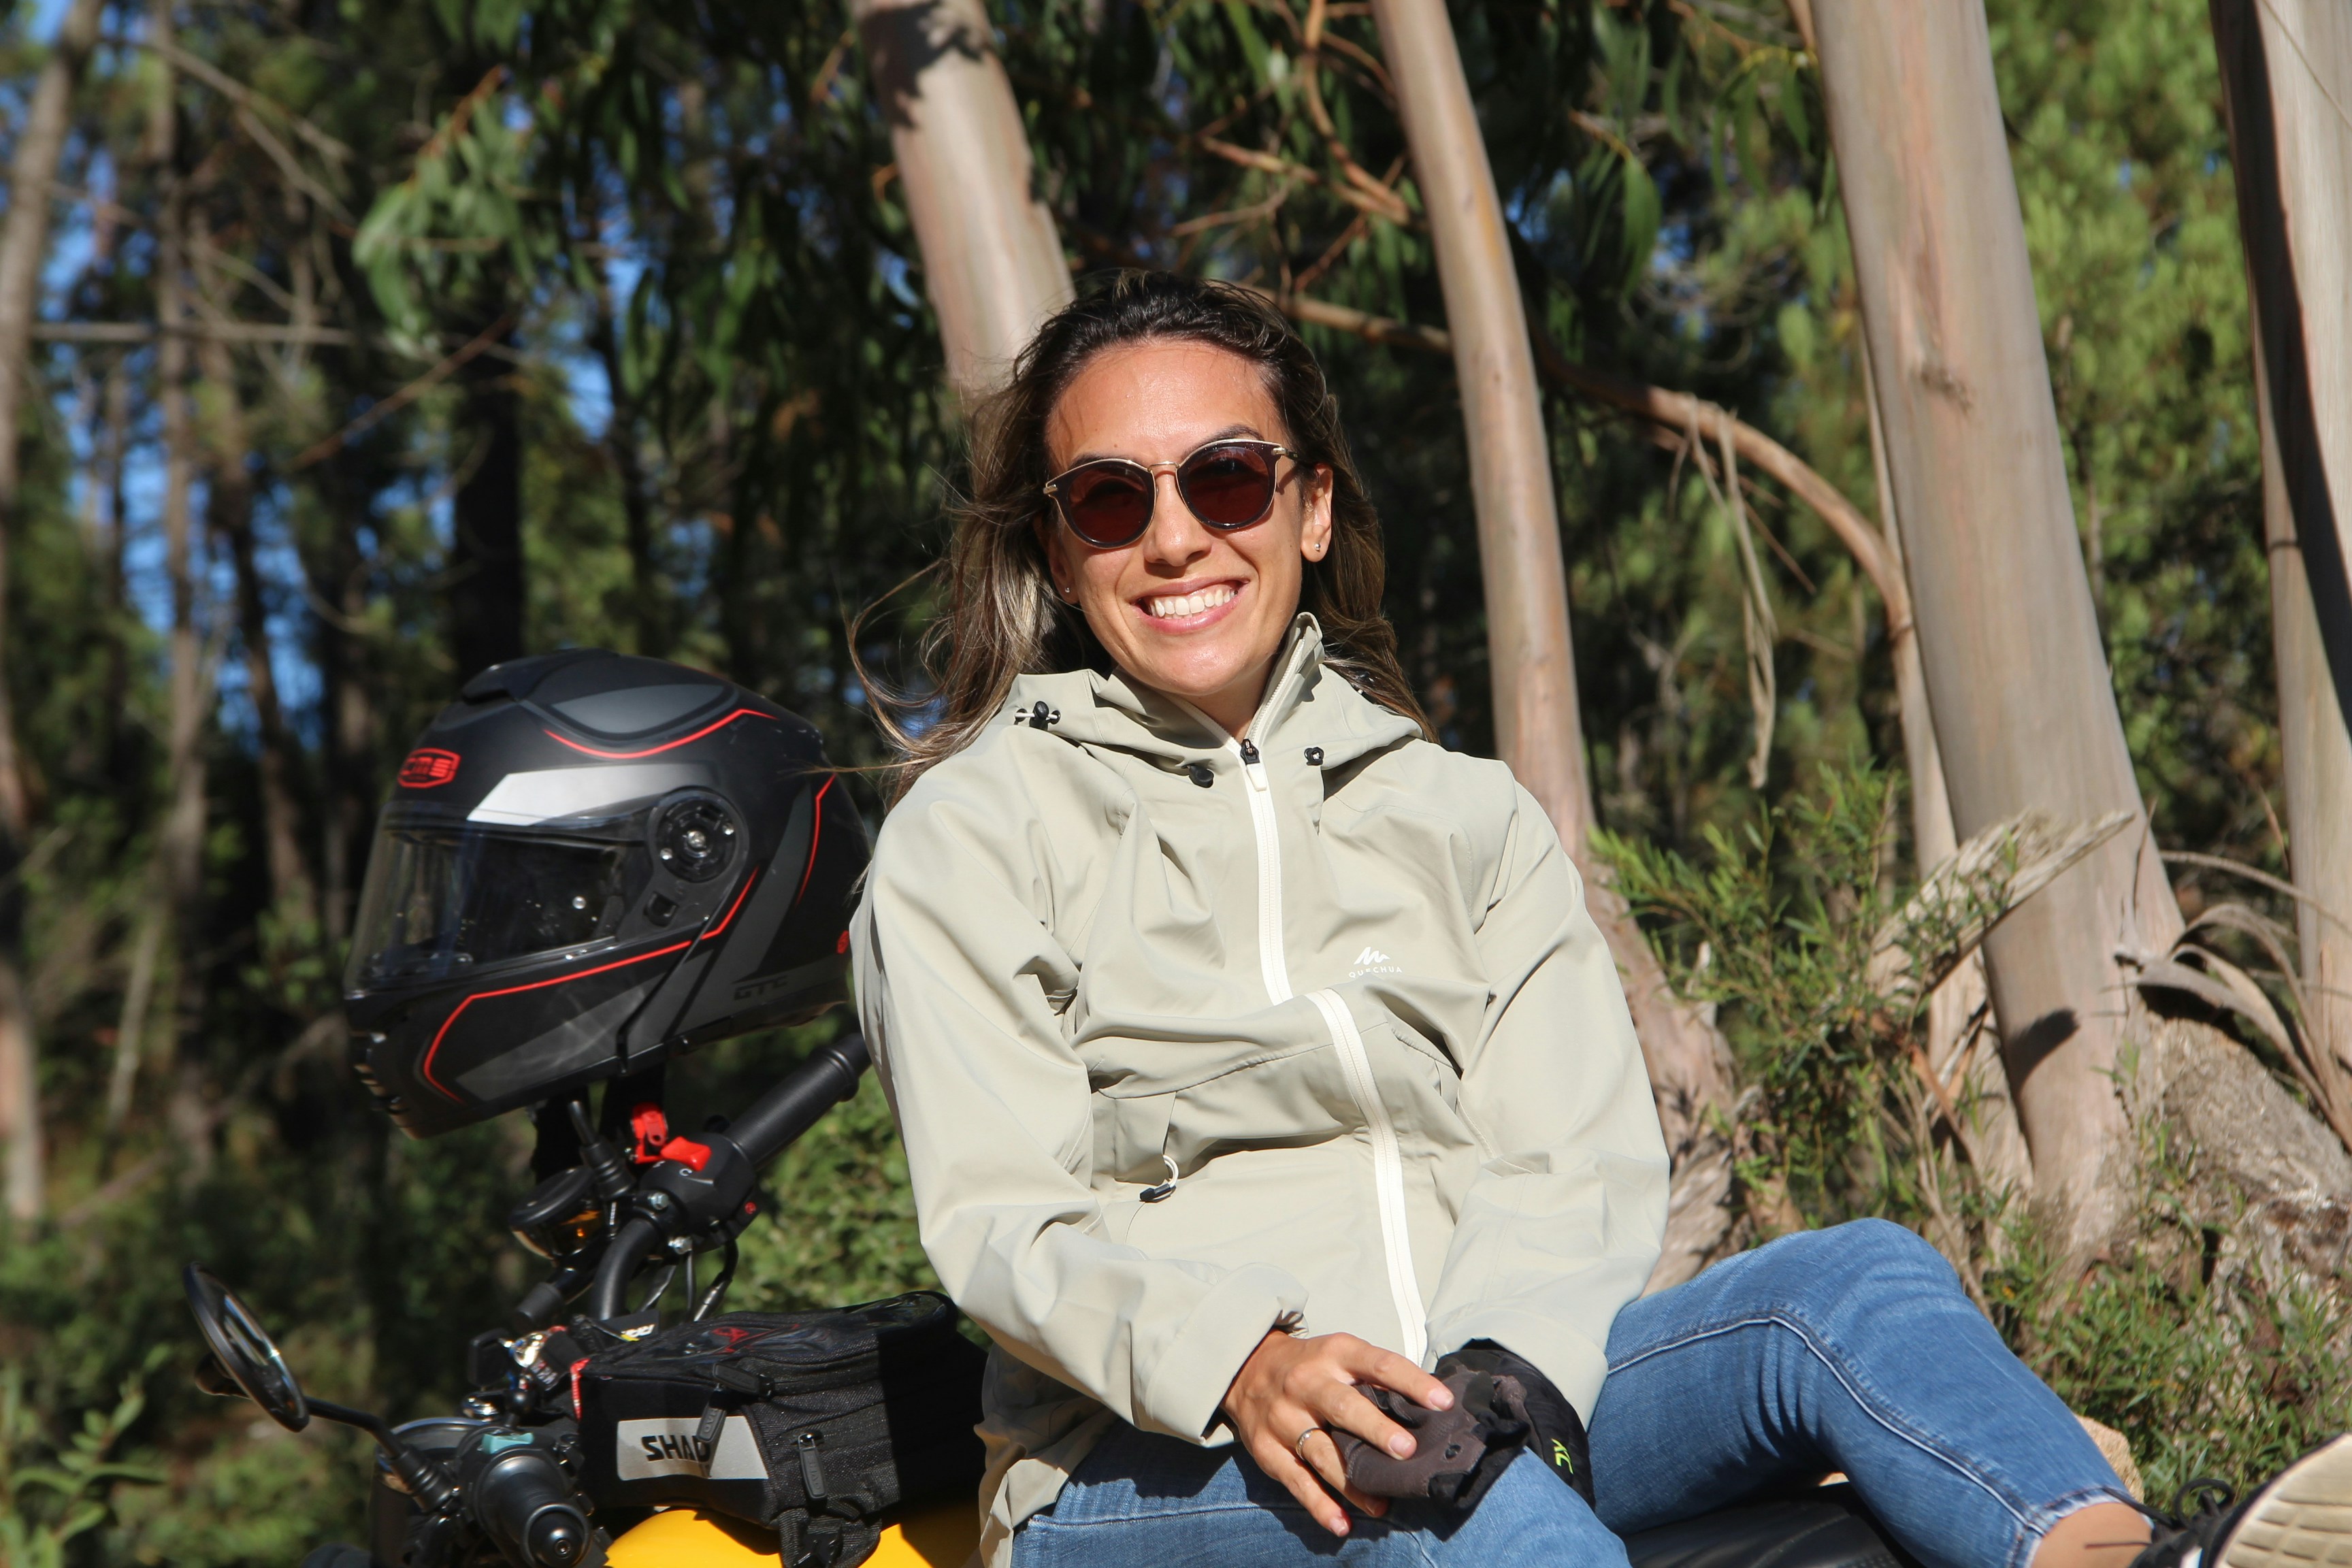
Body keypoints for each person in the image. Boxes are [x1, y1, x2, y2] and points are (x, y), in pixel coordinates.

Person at [849, 270, 2349, 1568]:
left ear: (1308, 508)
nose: (1174, 538)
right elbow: (1009, 1218)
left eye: (1226, 477)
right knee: (1463, 1507)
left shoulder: (1461, 815)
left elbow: (1572, 1156)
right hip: (1144, 1468)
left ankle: (2118, 1553)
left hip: (1461, 1396)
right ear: (1058, 550)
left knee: (1850, 1286)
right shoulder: (977, 832)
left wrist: (1495, 1378)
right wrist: (1242, 1358)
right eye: (1113, 498)